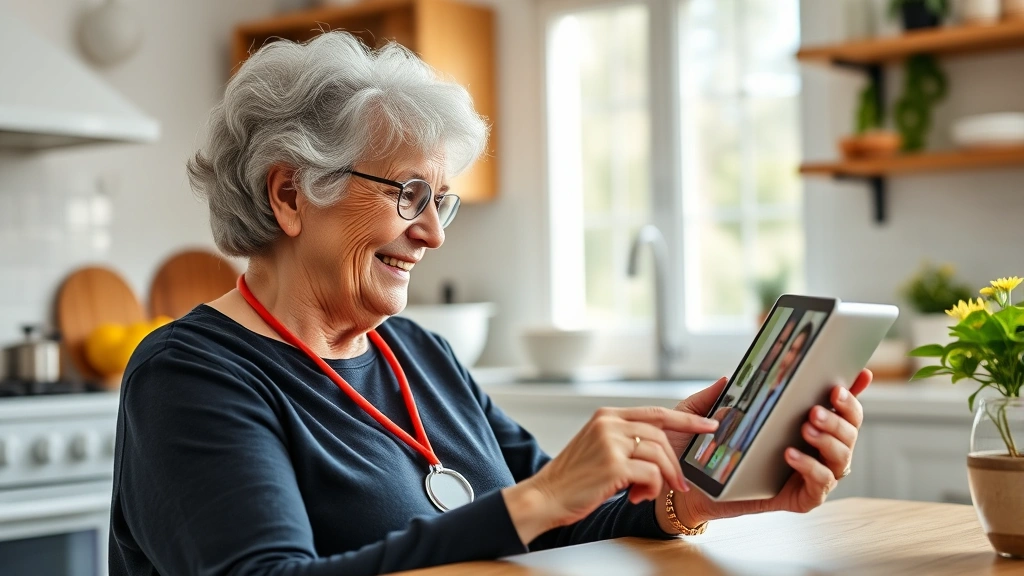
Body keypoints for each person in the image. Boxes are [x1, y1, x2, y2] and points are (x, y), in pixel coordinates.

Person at [108, 31, 871, 576]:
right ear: (290, 194)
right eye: (410, 194)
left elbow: (556, 528)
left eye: (444, 200)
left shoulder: (421, 354)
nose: (435, 233)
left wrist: (699, 491)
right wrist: (537, 499)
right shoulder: (191, 376)